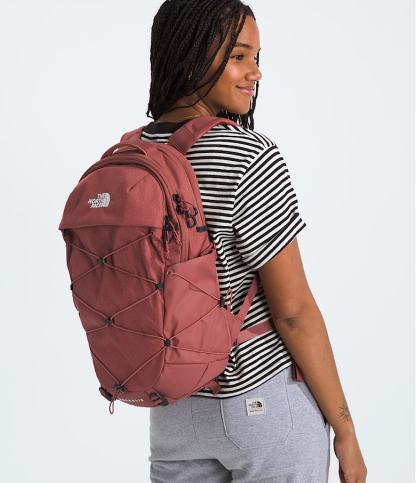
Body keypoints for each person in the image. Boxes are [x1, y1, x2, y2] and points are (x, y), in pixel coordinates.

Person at [143, 1, 367, 482]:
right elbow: (294, 312)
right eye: (239, 56)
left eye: (257, 57)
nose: (256, 72)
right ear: (193, 56)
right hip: (263, 404)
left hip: (173, 410)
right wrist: (345, 430)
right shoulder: (247, 152)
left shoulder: (138, 152)